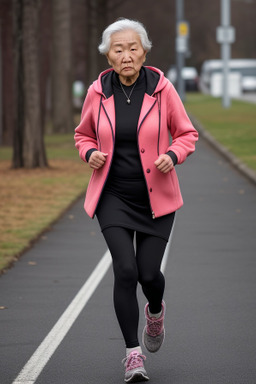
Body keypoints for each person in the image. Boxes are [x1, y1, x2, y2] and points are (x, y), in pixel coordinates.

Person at [74, 18, 198, 383]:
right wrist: (90, 153)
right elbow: (83, 135)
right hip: (113, 194)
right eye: (118, 49)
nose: (126, 55)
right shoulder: (98, 91)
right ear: (107, 56)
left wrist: (173, 155)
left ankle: (156, 311)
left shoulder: (161, 88)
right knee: (124, 271)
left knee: (148, 275)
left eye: (133, 48)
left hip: (156, 197)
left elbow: (187, 133)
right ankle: (132, 354)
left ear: (144, 52)